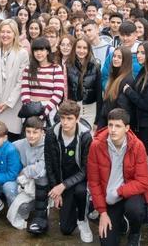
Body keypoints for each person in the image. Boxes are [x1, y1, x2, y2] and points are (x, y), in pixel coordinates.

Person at [87, 108, 148, 246]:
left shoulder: (137, 146)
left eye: (118, 126)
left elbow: (143, 182)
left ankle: (134, 233)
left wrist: (120, 191)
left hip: (128, 194)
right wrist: (102, 213)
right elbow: (94, 182)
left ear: (127, 128)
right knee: (107, 243)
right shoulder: (96, 145)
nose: (113, 130)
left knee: (136, 210)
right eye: (110, 125)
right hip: (109, 200)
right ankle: (121, 223)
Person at [44, 100, 94, 242]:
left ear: (77, 119)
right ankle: (75, 208)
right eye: (62, 118)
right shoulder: (51, 134)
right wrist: (55, 189)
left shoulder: (85, 136)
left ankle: (83, 219)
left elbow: (86, 170)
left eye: (69, 118)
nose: (65, 122)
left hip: (79, 181)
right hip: (61, 181)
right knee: (65, 229)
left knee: (81, 192)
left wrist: (62, 186)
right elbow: (49, 164)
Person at [0, 20, 27, 136]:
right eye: (2, 31)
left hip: (12, 106)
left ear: (15, 35)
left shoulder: (22, 53)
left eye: (9, 32)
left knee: (10, 141)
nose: (5, 35)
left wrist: (8, 103)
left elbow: (20, 82)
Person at [8, 116, 50, 232]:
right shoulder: (21, 143)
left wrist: (24, 171)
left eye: (35, 132)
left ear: (42, 131)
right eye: (28, 132)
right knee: (22, 208)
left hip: (44, 184)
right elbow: (3, 146)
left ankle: (41, 212)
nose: (31, 135)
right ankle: (29, 208)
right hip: (27, 183)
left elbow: (40, 168)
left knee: (41, 177)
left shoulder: (48, 144)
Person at [20, 37, 66, 123]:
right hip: (31, 110)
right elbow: (24, 92)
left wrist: (44, 112)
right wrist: (32, 111)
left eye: (42, 50)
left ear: (48, 51)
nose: (38, 53)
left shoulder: (56, 68)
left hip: (49, 111)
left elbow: (58, 94)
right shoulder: (28, 69)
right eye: (36, 50)